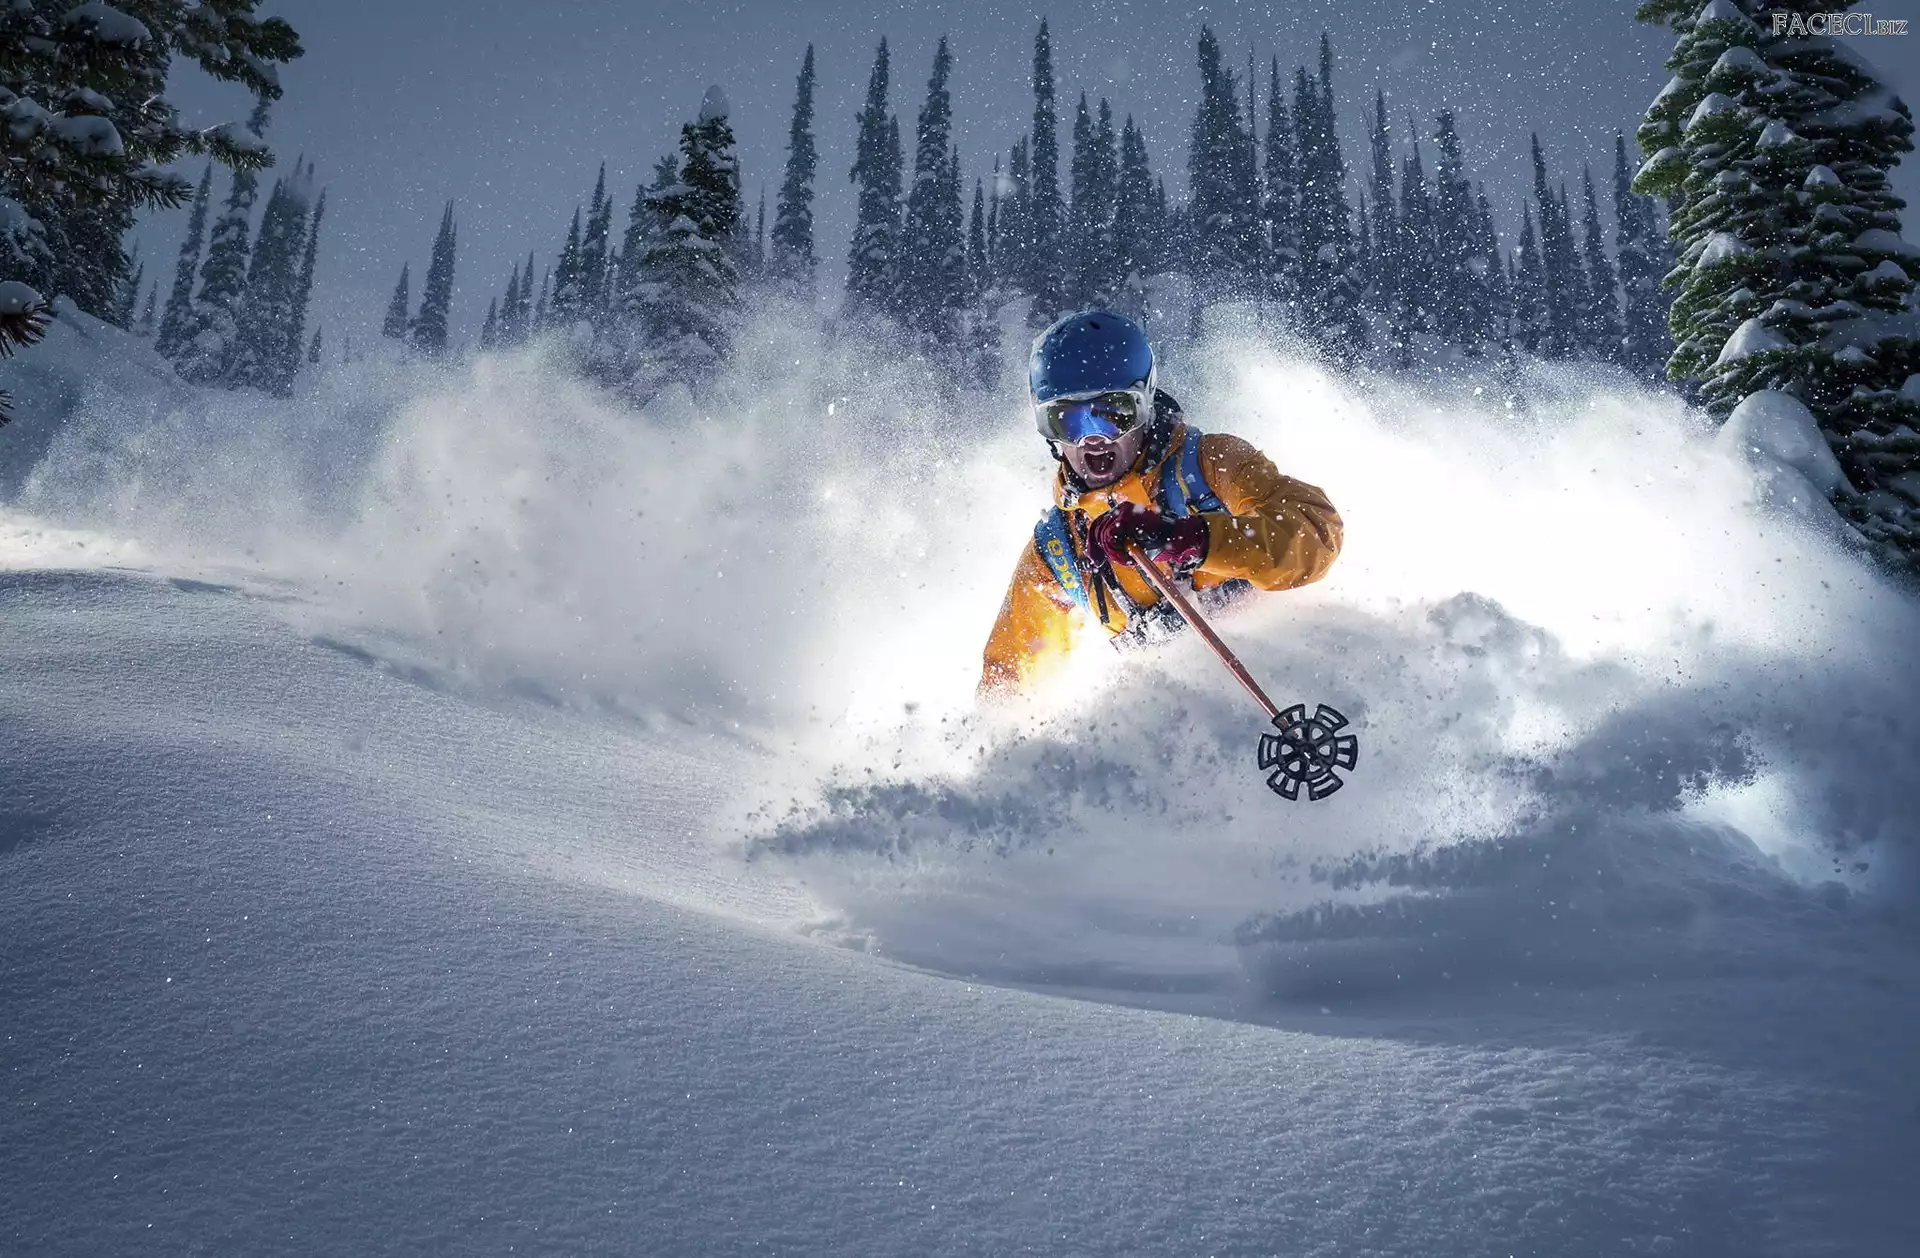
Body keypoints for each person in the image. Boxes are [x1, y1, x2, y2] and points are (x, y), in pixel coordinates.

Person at [979, 310, 1343, 696]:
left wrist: (1191, 538)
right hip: (1193, 721)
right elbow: (1006, 685)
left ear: (1146, 404)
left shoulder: (1210, 469)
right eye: (1066, 420)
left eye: (1114, 414)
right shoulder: (1059, 551)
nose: (1092, 440)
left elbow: (1318, 534)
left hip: (1296, 692)